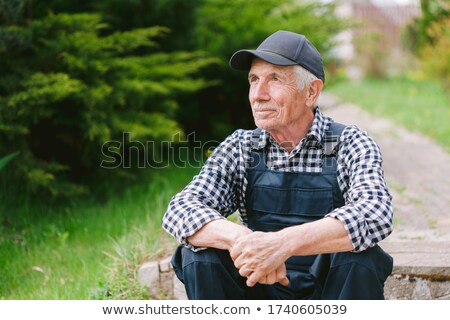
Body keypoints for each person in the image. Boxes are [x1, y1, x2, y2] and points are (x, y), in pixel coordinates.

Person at [162, 30, 393, 300]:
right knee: (198, 255)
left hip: (331, 292)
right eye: (253, 79)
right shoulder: (241, 146)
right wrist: (243, 241)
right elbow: (181, 209)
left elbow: (375, 212)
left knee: (361, 257)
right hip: (258, 287)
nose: (258, 94)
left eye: (274, 79)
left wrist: (281, 244)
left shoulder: (350, 142)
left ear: (311, 92)